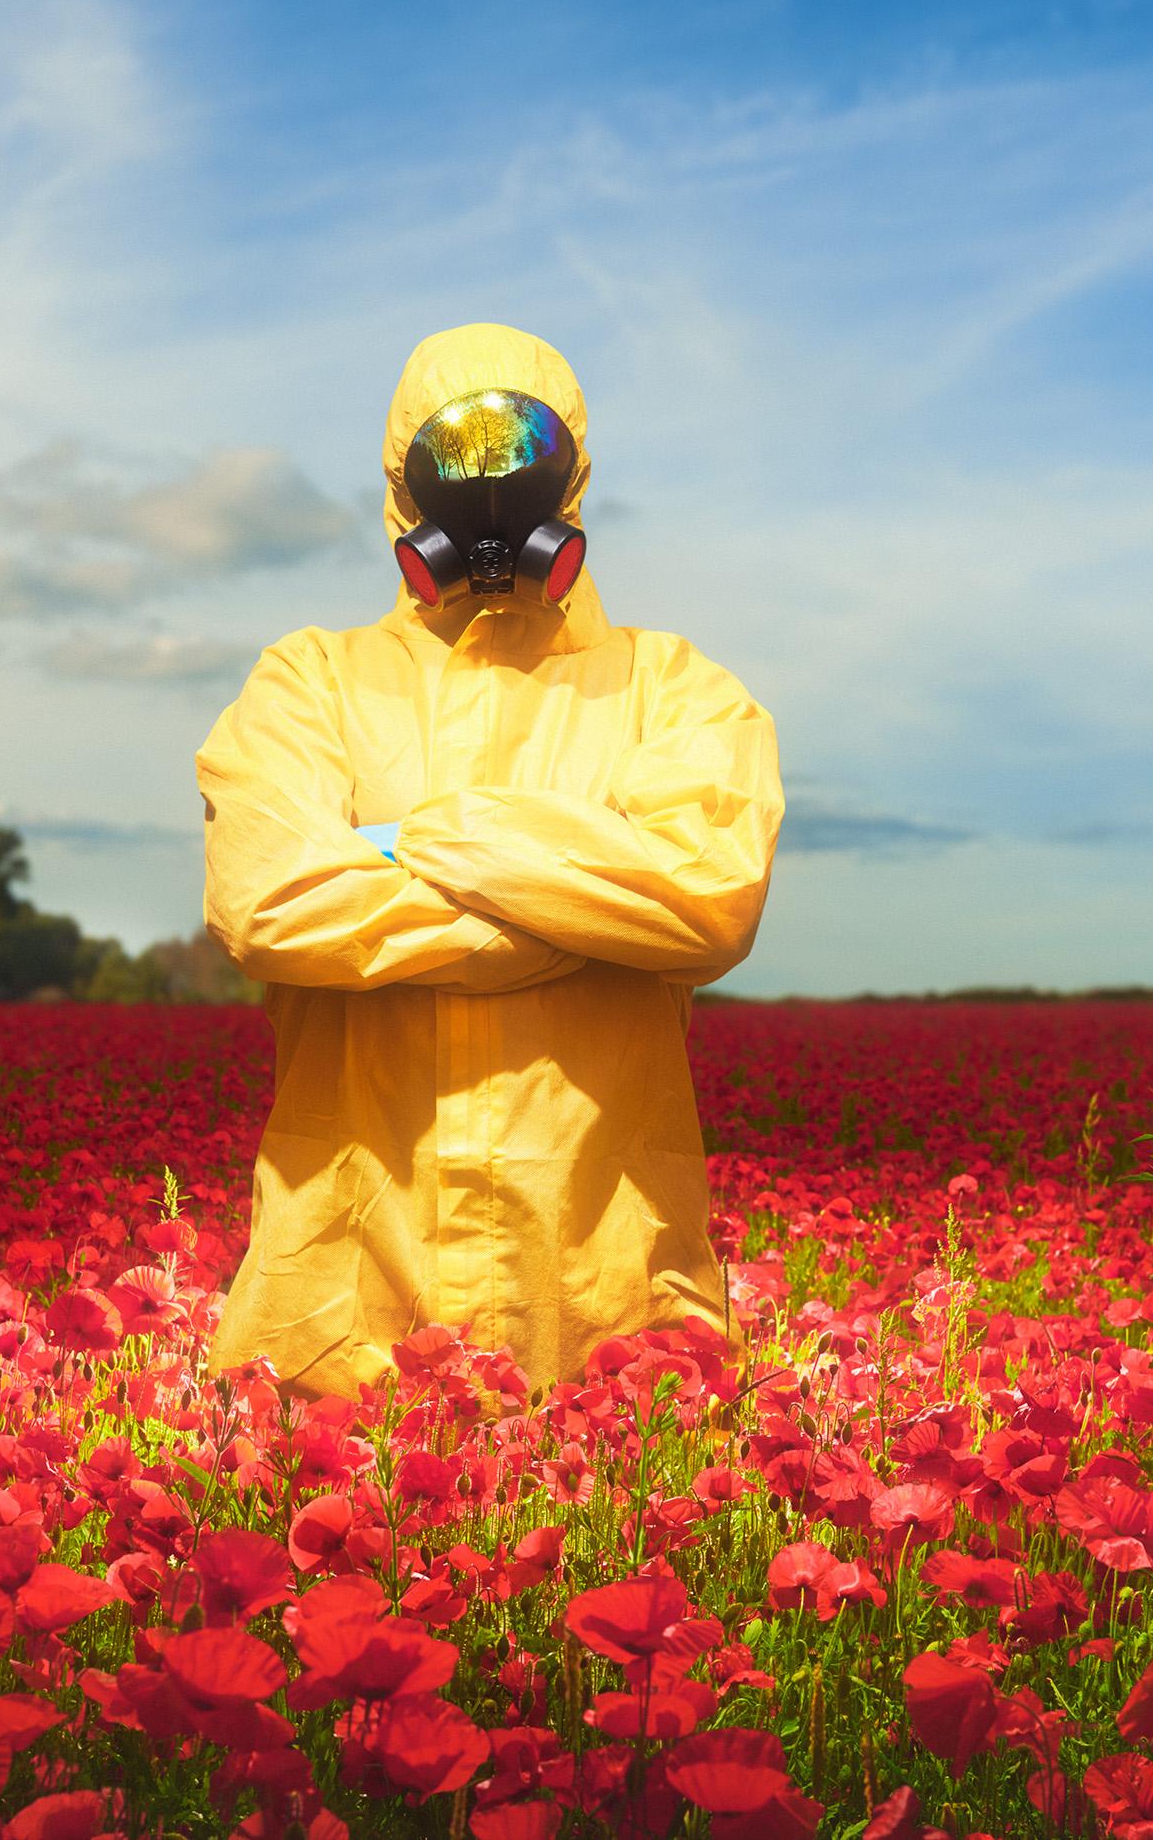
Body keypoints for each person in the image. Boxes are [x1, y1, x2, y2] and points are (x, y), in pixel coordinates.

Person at [195, 322, 784, 1397]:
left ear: (576, 470)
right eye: (453, 454)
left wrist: (422, 838)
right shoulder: (310, 680)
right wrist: (579, 901)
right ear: (399, 481)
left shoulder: (677, 688)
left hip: (603, 1301)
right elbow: (273, 905)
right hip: (341, 1301)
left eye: (520, 445)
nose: (491, 482)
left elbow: (705, 902)